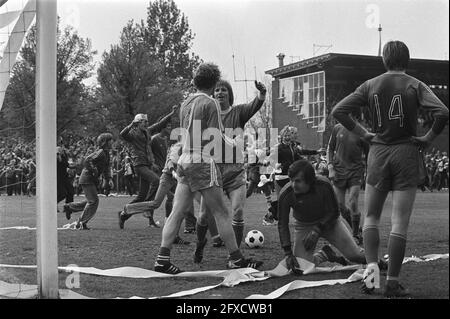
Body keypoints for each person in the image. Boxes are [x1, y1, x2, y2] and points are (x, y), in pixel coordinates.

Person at [331, 40, 449, 297]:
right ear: (407, 59)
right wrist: (428, 138)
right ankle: (392, 283)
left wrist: (363, 133)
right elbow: (442, 111)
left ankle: (371, 276)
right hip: (406, 151)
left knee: (371, 216)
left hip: (378, 151)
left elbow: (338, 111)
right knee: (399, 223)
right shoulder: (415, 84)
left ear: (384, 60)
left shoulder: (370, 84)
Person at [153, 62, 263, 274]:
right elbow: (215, 138)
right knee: (221, 212)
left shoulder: (185, 103)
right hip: (202, 161)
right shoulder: (210, 103)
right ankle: (236, 260)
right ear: (214, 84)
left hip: (184, 159)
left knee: (177, 211)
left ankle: (162, 259)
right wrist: (235, 144)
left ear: (195, 81)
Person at [193, 79, 267, 263]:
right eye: (217, 90)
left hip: (235, 172)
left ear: (229, 94)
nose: (219, 93)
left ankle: (234, 255)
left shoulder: (238, 112)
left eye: (223, 90)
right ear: (213, 94)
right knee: (203, 215)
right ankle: (200, 242)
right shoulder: (208, 113)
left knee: (238, 211)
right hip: (213, 172)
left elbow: (254, 105)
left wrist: (262, 93)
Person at [278, 160, 380, 274]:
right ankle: (325, 254)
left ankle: (376, 262)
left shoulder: (324, 185)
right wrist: (288, 253)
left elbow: (334, 212)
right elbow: (282, 224)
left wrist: (317, 229)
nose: (293, 185)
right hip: (304, 225)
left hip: (330, 222)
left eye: (298, 181)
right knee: (300, 267)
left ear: (310, 180)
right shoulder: (286, 194)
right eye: (291, 180)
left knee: (354, 255)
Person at [119, 106, 178, 227]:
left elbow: (159, 124)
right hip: (139, 164)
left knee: (141, 196)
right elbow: (122, 134)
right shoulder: (132, 134)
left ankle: (124, 214)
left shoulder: (147, 131)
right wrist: (131, 124)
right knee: (156, 181)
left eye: (147, 122)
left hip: (147, 164)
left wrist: (171, 113)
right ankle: (146, 208)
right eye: (144, 121)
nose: (147, 123)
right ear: (138, 122)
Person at [327, 110, 369, 245]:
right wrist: (330, 167)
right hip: (338, 171)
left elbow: (369, 154)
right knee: (339, 206)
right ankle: (356, 228)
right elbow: (330, 148)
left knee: (353, 201)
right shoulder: (337, 128)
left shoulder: (362, 132)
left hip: (355, 172)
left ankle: (356, 235)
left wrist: (368, 171)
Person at [63, 133, 114, 230]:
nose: (112, 142)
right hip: (87, 178)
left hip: (90, 179)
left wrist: (109, 179)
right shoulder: (101, 152)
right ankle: (81, 223)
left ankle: (70, 207)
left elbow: (106, 168)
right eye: (110, 140)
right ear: (104, 142)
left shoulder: (106, 154)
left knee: (90, 201)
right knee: (93, 201)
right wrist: (94, 171)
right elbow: (87, 160)